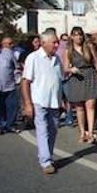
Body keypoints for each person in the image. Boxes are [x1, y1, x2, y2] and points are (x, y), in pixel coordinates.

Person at [21, 31, 64, 174]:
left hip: (54, 101)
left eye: (57, 42)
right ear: (43, 43)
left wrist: (62, 100)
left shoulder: (57, 59)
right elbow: (25, 82)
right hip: (39, 100)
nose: (57, 45)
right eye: (54, 42)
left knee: (53, 131)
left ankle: (48, 157)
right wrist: (28, 104)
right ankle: (45, 161)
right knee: (42, 130)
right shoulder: (33, 58)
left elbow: (59, 80)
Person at [63, 26, 97, 143]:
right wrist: (71, 69)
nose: (78, 37)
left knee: (91, 104)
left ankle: (91, 132)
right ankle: (82, 132)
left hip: (89, 75)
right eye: (75, 35)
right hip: (76, 77)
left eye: (80, 34)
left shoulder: (88, 47)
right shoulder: (68, 51)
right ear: (72, 37)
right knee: (79, 107)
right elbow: (65, 67)